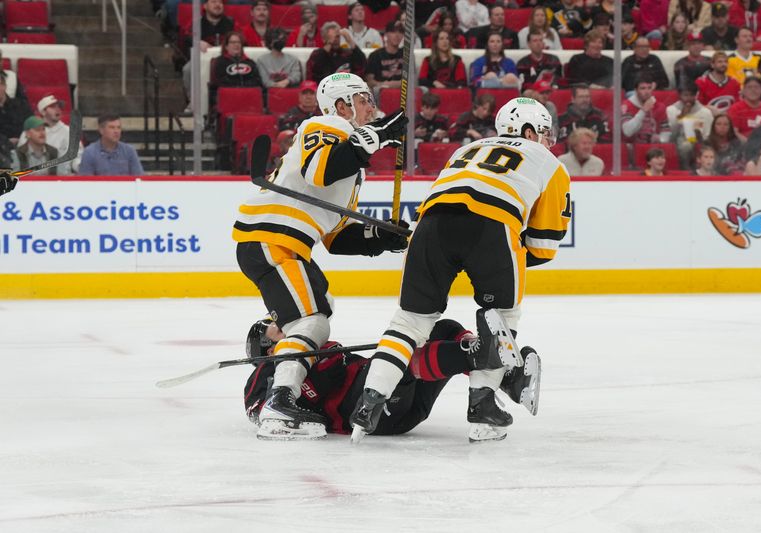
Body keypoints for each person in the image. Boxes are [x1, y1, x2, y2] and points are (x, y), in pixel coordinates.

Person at [349, 97, 570, 444]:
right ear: (528, 131)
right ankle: (482, 409)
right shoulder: (549, 162)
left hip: (430, 225)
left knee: (409, 322)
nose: (547, 140)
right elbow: (542, 248)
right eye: (543, 132)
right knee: (501, 318)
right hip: (493, 226)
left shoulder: (467, 150)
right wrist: (491, 264)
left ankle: (369, 401)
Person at [232, 73, 409, 440]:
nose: (372, 106)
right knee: (312, 321)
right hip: (272, 238)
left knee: (319, 307)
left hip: (283, 243)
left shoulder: (351, 162)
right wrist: (375, 137)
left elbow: (336, 238)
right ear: (342, 106)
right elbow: (320, 170)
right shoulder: (325, 124)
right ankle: (280, 401)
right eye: (363, 99)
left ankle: (269, 336)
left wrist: (381, 236)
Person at [243, 315, 538, 439]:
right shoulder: (271, 370)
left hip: (394, 401)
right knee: (405, 362)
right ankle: (491, 359)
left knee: (443, 329)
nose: (287, 328)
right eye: (277, 330)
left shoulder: (315, 349)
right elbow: (260, 410)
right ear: (268, 349)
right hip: (368, 412)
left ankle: (504, 381)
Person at [17, 95, 83, 174]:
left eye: (59, 106)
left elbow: (78, 158)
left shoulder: (70, 132)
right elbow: (20, 156)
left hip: (61, 177)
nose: (58, 109)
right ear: (43, 112)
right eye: (53, 107)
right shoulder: (29, 131)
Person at [666, 81, 713, 169]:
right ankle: (684, 169)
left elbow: (708, 134)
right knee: (685, 146)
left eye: (691, 95)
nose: (688, 98)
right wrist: (681, 117)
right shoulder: (671, 110)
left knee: (688, 145)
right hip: (677, 141)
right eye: (686, 95)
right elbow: (670, 134)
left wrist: (700, 135)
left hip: (699, 141)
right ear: (680, 96)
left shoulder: (705, 112)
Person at [78, 114, 144, 176]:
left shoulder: (129, 150)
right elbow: (85, 182)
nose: (116, 131)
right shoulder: (90, 152)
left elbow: (139, 178)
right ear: (101, 130)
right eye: (112, 127)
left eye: (119, 127)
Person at [621, 74, 671, 145]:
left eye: (649, 88)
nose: (647, 92)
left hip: (653, 148)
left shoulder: (660, 107)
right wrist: (643, 111)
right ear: (636, 90)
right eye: (643, 88)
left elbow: (666, 130)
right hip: (631, 147)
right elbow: (627, 132)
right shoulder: (627, 105)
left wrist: (661, 140)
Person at [365, 21, 404, 102]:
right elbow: (369, 81)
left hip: (403, 91)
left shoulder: (407, 55)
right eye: (393, 32)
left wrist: (397, 84)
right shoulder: (375, 55)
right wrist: (385, 85)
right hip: (380, 92)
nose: (397, 35)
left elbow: (413, 80)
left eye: (400, 32)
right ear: (386, 34)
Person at [0, 73, 32, 146]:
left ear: (4, 86)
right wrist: (6, 141)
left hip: (25, 145)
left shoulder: (21, 105)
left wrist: (22, 139)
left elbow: (32, 124)